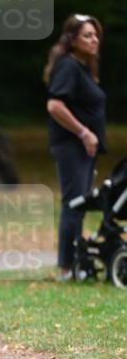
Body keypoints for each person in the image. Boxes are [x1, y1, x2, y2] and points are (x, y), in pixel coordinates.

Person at [44, 14, 107, 281]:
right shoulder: (69, 66)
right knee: (73, 203)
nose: (94, 40)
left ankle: (77, 263)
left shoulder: (83, 67)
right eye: (87, 35)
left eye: (95, 35)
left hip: (84, 148)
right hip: (71, 146)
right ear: (72, 39)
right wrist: (83, 133)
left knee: (79, 203)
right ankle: (66, 269)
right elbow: (54, 105)